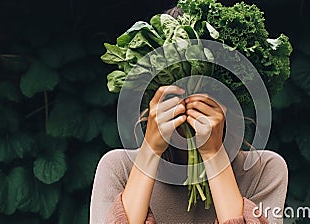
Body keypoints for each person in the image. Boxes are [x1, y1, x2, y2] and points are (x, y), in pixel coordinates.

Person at [90, 8, 288, 224]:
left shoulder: (263, 170)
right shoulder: (118, 168)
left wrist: (214, 155)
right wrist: (150, 150)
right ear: (153, 96)